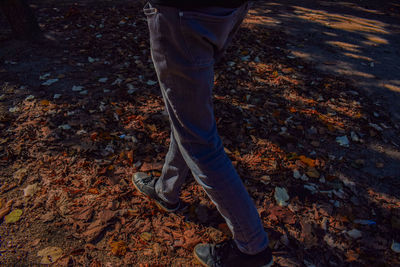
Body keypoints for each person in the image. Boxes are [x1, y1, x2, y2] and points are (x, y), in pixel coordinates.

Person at [132, 1, 273, 266]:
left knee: (199, 142)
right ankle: (166, 191)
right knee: (187, 116)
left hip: (183, 13)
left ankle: (253, 250)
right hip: (224, 10)